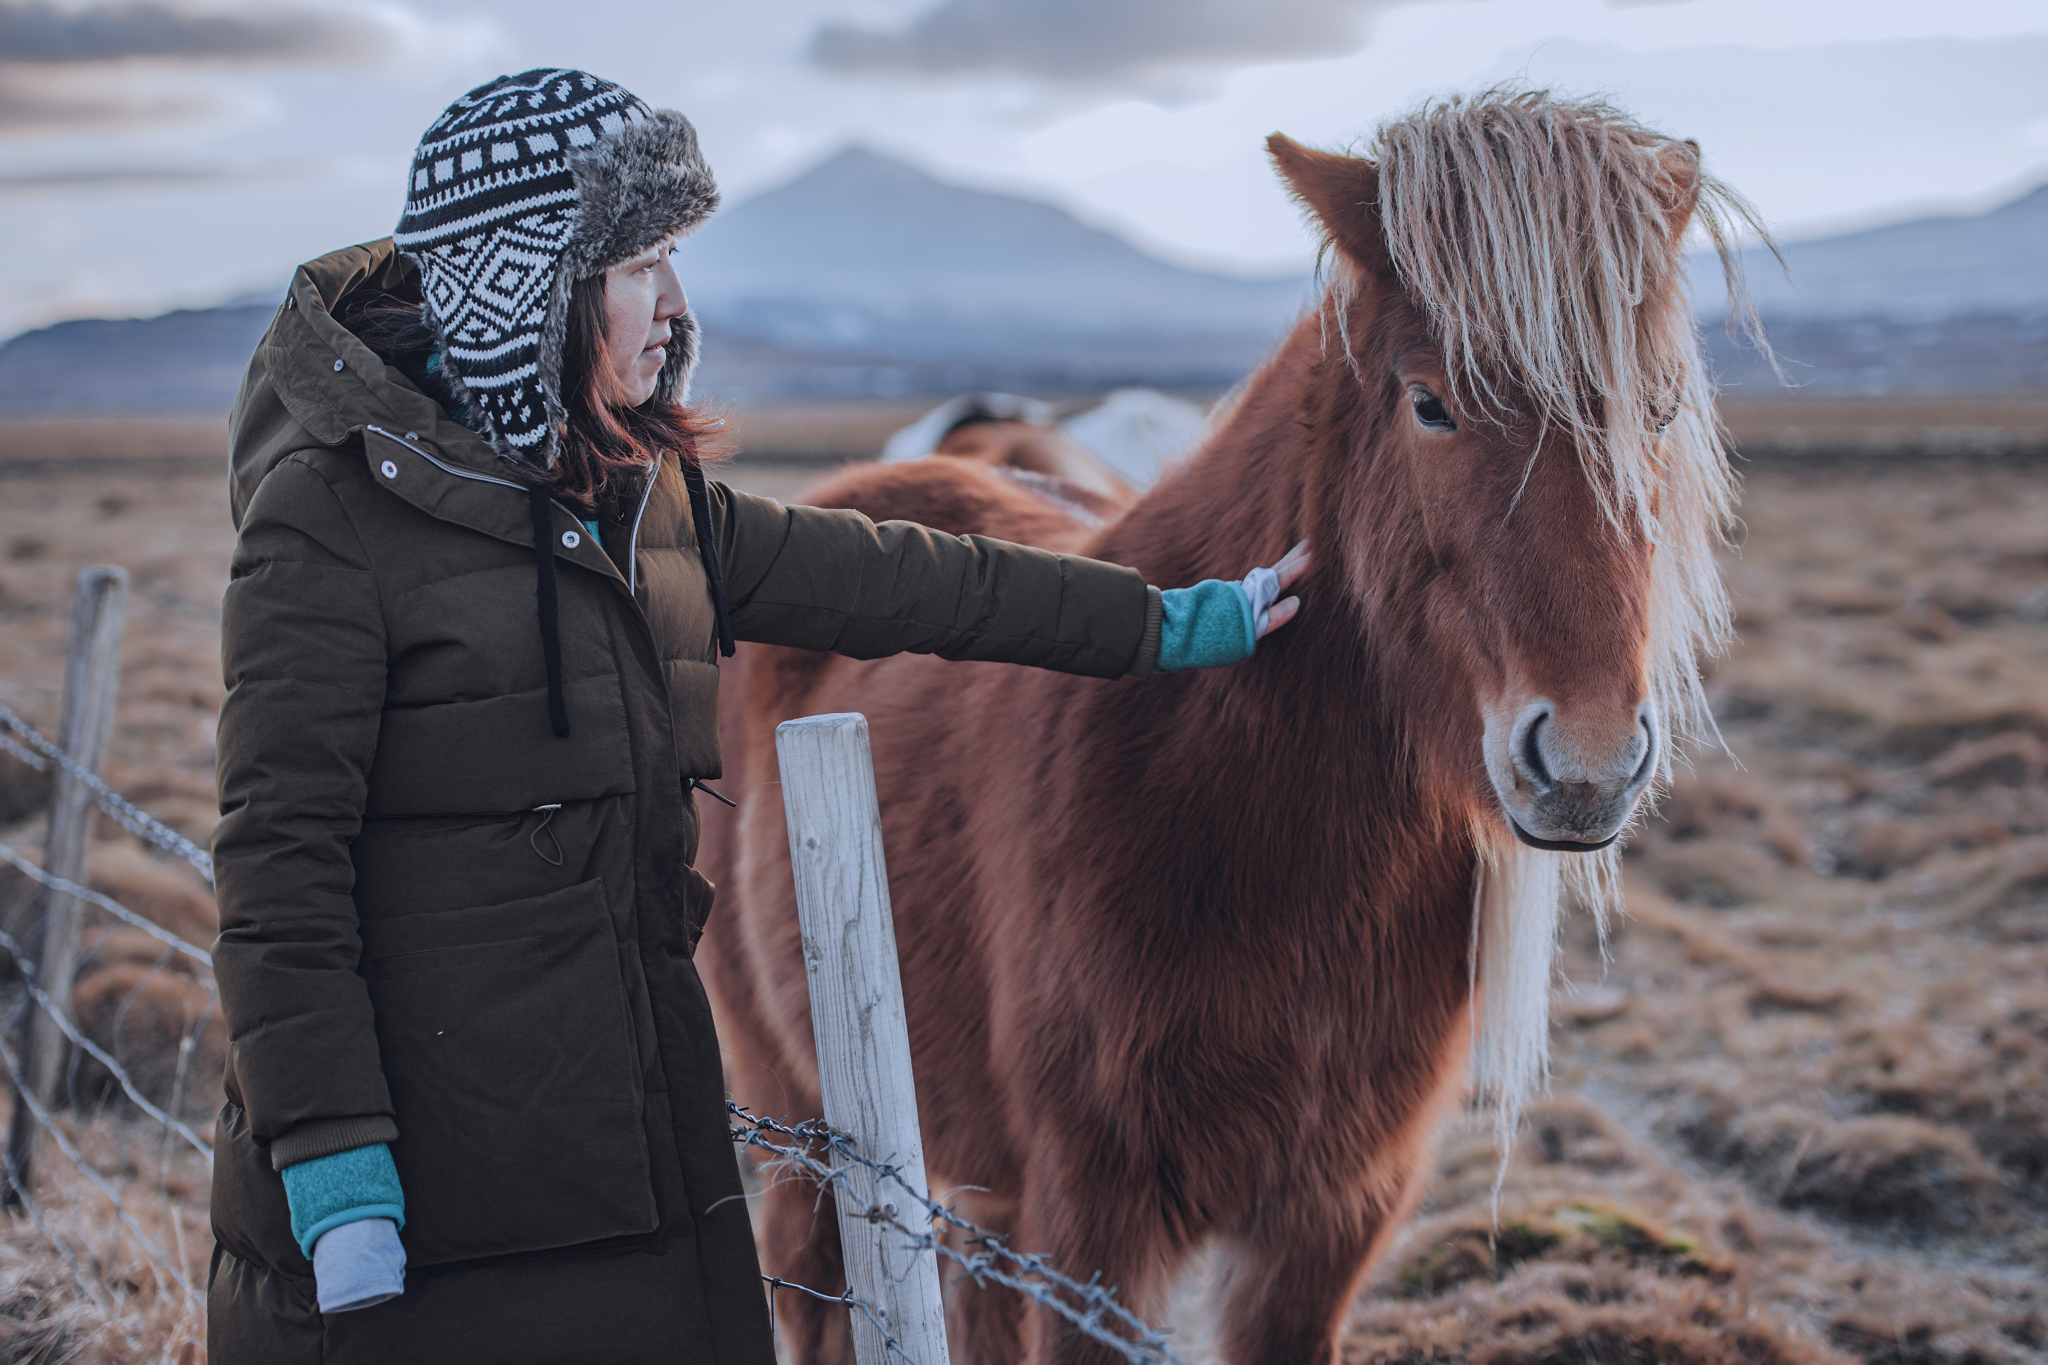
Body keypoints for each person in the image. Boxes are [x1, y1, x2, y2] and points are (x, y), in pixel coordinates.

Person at [207, 69, 1309, 1364]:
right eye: (640, 263)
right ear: (528, 281)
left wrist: (1172, 621)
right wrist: (336, 1168)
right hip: (419, 1185)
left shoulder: (642, 507)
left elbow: (925, 577)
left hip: (627, 1141)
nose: (676, 305)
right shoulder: (330, 527)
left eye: (677, 260)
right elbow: (280, 872)